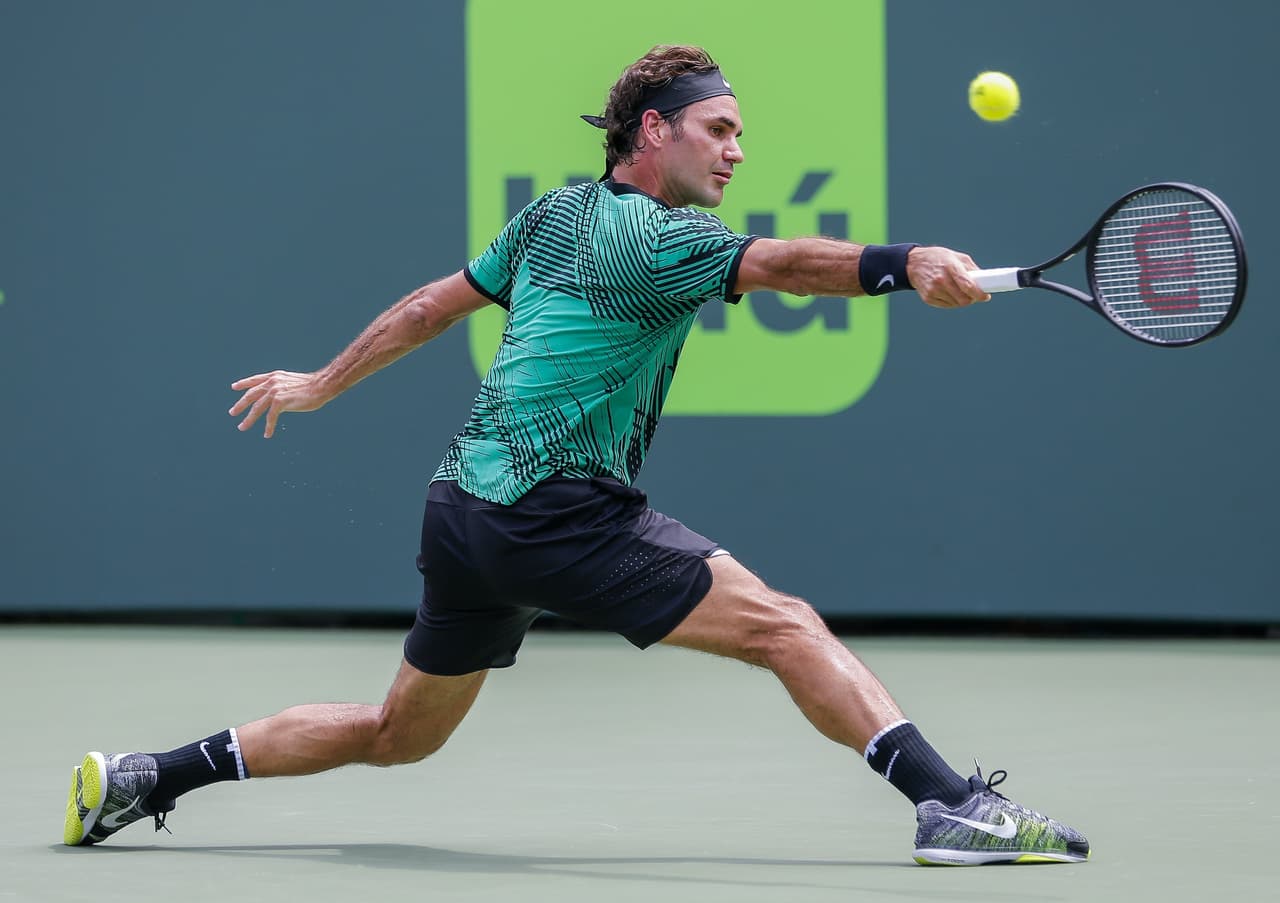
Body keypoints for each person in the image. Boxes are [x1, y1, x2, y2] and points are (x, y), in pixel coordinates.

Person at [63, 44, 1088, 867]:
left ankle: (148, 776)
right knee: (785, 625)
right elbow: (778, 262)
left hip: (461, 509)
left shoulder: (553, 214)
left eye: (740, 136)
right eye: (718, 130)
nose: (735, 153)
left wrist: (319, 383)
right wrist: (905, 263)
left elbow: (429, 306)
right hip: (556, 510)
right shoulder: (657, 237)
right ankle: (947, 806)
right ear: (653, 130)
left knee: (397, 734)